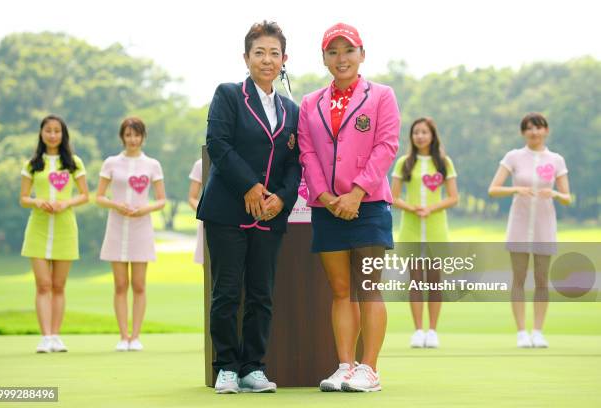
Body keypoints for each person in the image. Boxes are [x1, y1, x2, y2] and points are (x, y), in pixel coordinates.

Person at [196, 21, 301, 394]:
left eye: (274, 53)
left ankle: (253, 367)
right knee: (227, 292)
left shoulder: (292, 109)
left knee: (261, 293)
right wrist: (252, 186)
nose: (267, 60)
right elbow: (219, 144)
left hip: (270, 214)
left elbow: (295, 163)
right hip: (227, 210)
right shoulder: (228, 95)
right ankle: (226, 365)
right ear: (246, 57)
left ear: (284, 59)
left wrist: (281, 198)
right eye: (259, 52)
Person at [298, 23, 400, 392]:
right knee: (340, 290)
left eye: (348, 50)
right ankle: (345, 365)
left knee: (369, 288)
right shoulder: (310, 103)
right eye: (333, 52)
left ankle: (369, 369)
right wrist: (325, 197)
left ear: (362, 54)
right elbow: (307, 153)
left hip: (369, 205)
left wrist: (356, 193)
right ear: (324, 58)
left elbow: (386, 146)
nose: (341, 59)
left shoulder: (382, 95)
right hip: (327, 207)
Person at [488, 112, 571, 348]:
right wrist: (516, 190)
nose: (534, 132)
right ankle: (521, 332)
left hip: (545, 224)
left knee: (542, 279)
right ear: (523, 132)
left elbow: (567, 197)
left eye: (538, 127)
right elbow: (493, 189)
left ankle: (538, 331)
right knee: (519, 277)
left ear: (546, 130)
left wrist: (554, 193)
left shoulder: (556, 160)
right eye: (529, 128)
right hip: (519, 223)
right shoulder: (513, 157)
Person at [20, 114, 89, 353]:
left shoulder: (74, 163)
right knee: (43, 285)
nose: (52, 135)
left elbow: (84, 195)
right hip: (37, 229)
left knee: (59, 285)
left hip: (65, 229)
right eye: (48, 130)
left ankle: (56, 336)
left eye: (57, 130)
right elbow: (23, 198)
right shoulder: (32, 164)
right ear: (41, 133)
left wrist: (65, 203)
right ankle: (45, 336)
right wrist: (37, 202)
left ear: (63, 134)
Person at [96, 117, 166, 352]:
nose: (132, 139)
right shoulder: (111, 163)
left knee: (138, 285)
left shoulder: (153, 165)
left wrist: (144, 208)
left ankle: (135, 336)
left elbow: (161, 200)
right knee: (120, 284)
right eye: (128, 135)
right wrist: (117, 205)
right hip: (116, 226)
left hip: (141, 227)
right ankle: (123, 336)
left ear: (143, 137)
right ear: (122, 137)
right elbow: (99, 197)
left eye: (136, 135)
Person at [391, 117, 459, 348]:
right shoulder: (404, 163)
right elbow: (393, 196)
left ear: (432, 135)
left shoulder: (444, 163)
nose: (420, 136)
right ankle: (418, 330)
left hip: (435, 229)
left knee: (434, 282)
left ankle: (433, 330)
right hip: (410, 230)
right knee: (415, 281)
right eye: (416, 132)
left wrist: (430, 208)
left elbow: (453, 197)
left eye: (424, 132)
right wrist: (412, 208)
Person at [188, 158, 204, 264]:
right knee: (207, 264)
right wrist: (205, 212)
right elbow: (192, 198)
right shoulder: (200, 164)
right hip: (208, 222)